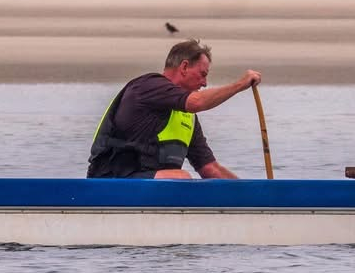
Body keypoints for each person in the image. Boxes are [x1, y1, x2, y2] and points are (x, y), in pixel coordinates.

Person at [88, 38, 262, 179]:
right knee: (180, 178)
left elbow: (210, 169)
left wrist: (248, 193)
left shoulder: (187, 118)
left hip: (149, 185)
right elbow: (197, 102)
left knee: (184, 179)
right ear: (184, 67)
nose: (205, 83)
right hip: (110, 182)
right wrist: (240, 84)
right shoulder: (148, 86)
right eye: (203, 74)